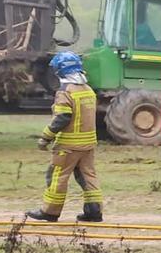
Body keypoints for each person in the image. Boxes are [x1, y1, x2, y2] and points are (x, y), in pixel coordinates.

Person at [26, 52, 103, 222]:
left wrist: (45, 137)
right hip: (88, 145)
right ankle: (94, 211)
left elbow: (62, 117)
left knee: (57, 177)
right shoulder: (88, 90)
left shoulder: (65, 92)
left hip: (68, 146)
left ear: (61, 71)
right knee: (88, 176)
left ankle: (50, 212)